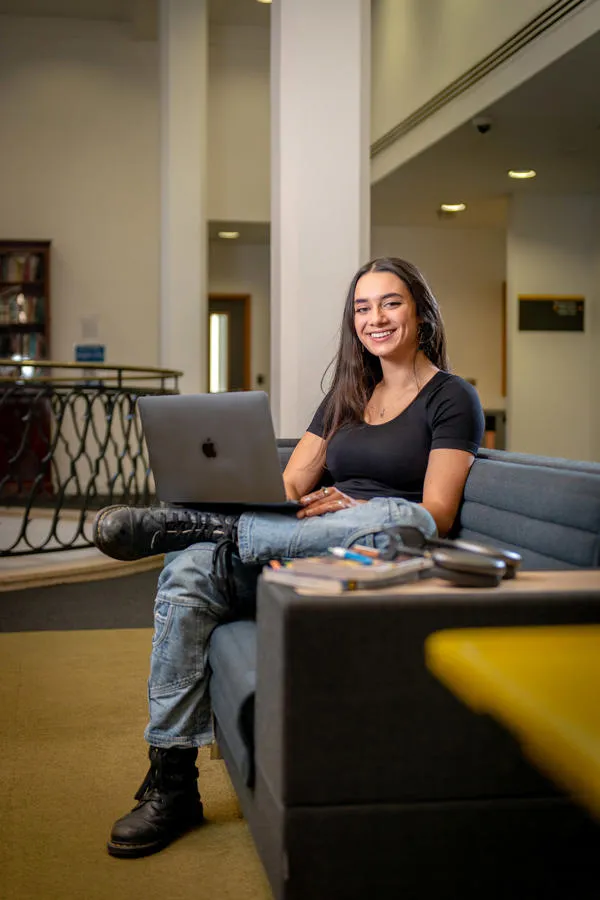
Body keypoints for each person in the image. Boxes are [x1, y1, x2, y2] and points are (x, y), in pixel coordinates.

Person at [93, 256, 484, 859]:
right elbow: (291, 487)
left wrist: (353, 504)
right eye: (362, 307)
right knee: (188, 570)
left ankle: (207, 530)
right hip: (300, 553)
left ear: (422, 313)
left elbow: (438, 512)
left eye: (390, 303)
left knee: (399, 517)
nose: (374, 318)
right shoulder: (345, 397)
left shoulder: (452, 398)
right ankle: (172, 786)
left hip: (379, 555)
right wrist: (240, 486)